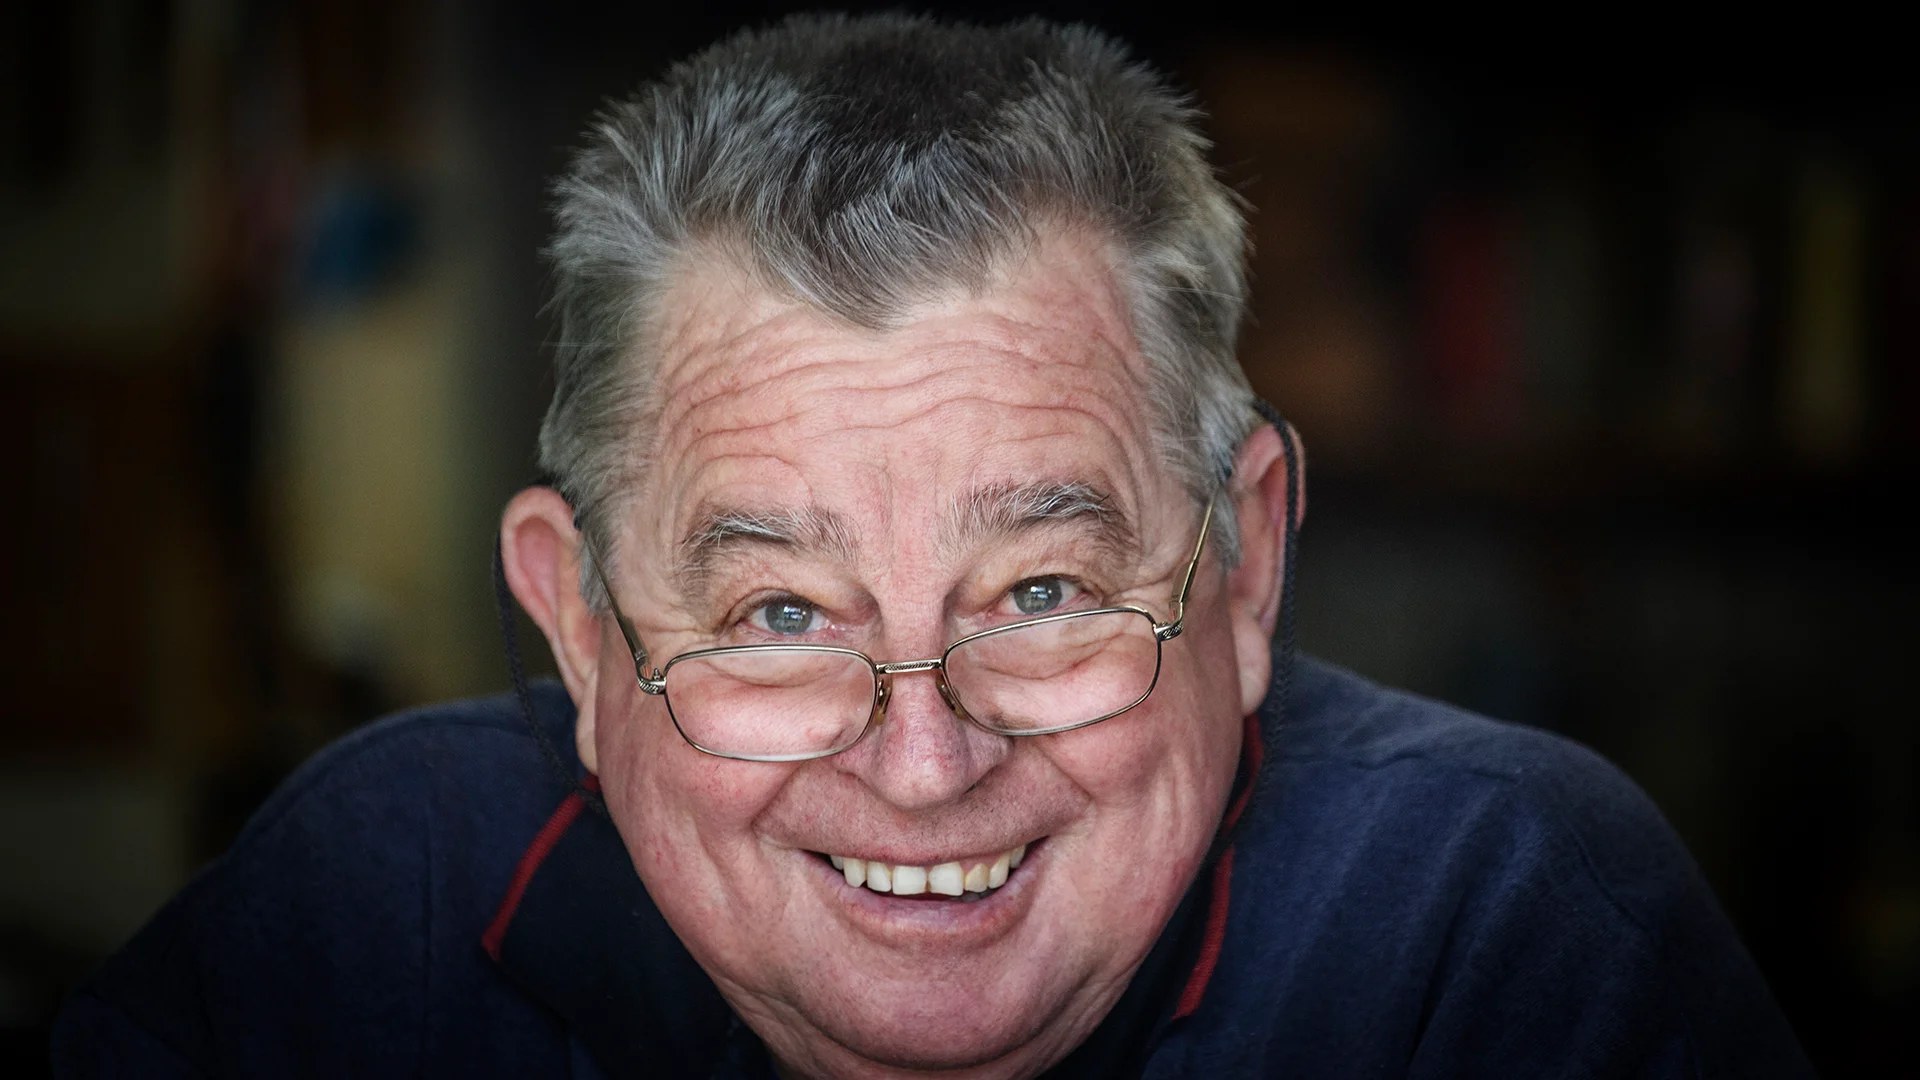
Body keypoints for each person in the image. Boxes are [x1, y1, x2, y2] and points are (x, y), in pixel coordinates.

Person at [54, 14, 1812, 1078]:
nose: (920, 765)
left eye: (1041, 593)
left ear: (1245, 566)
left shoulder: (1499, 927)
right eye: (778, 612)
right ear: (582, 632)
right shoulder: (379, 907)